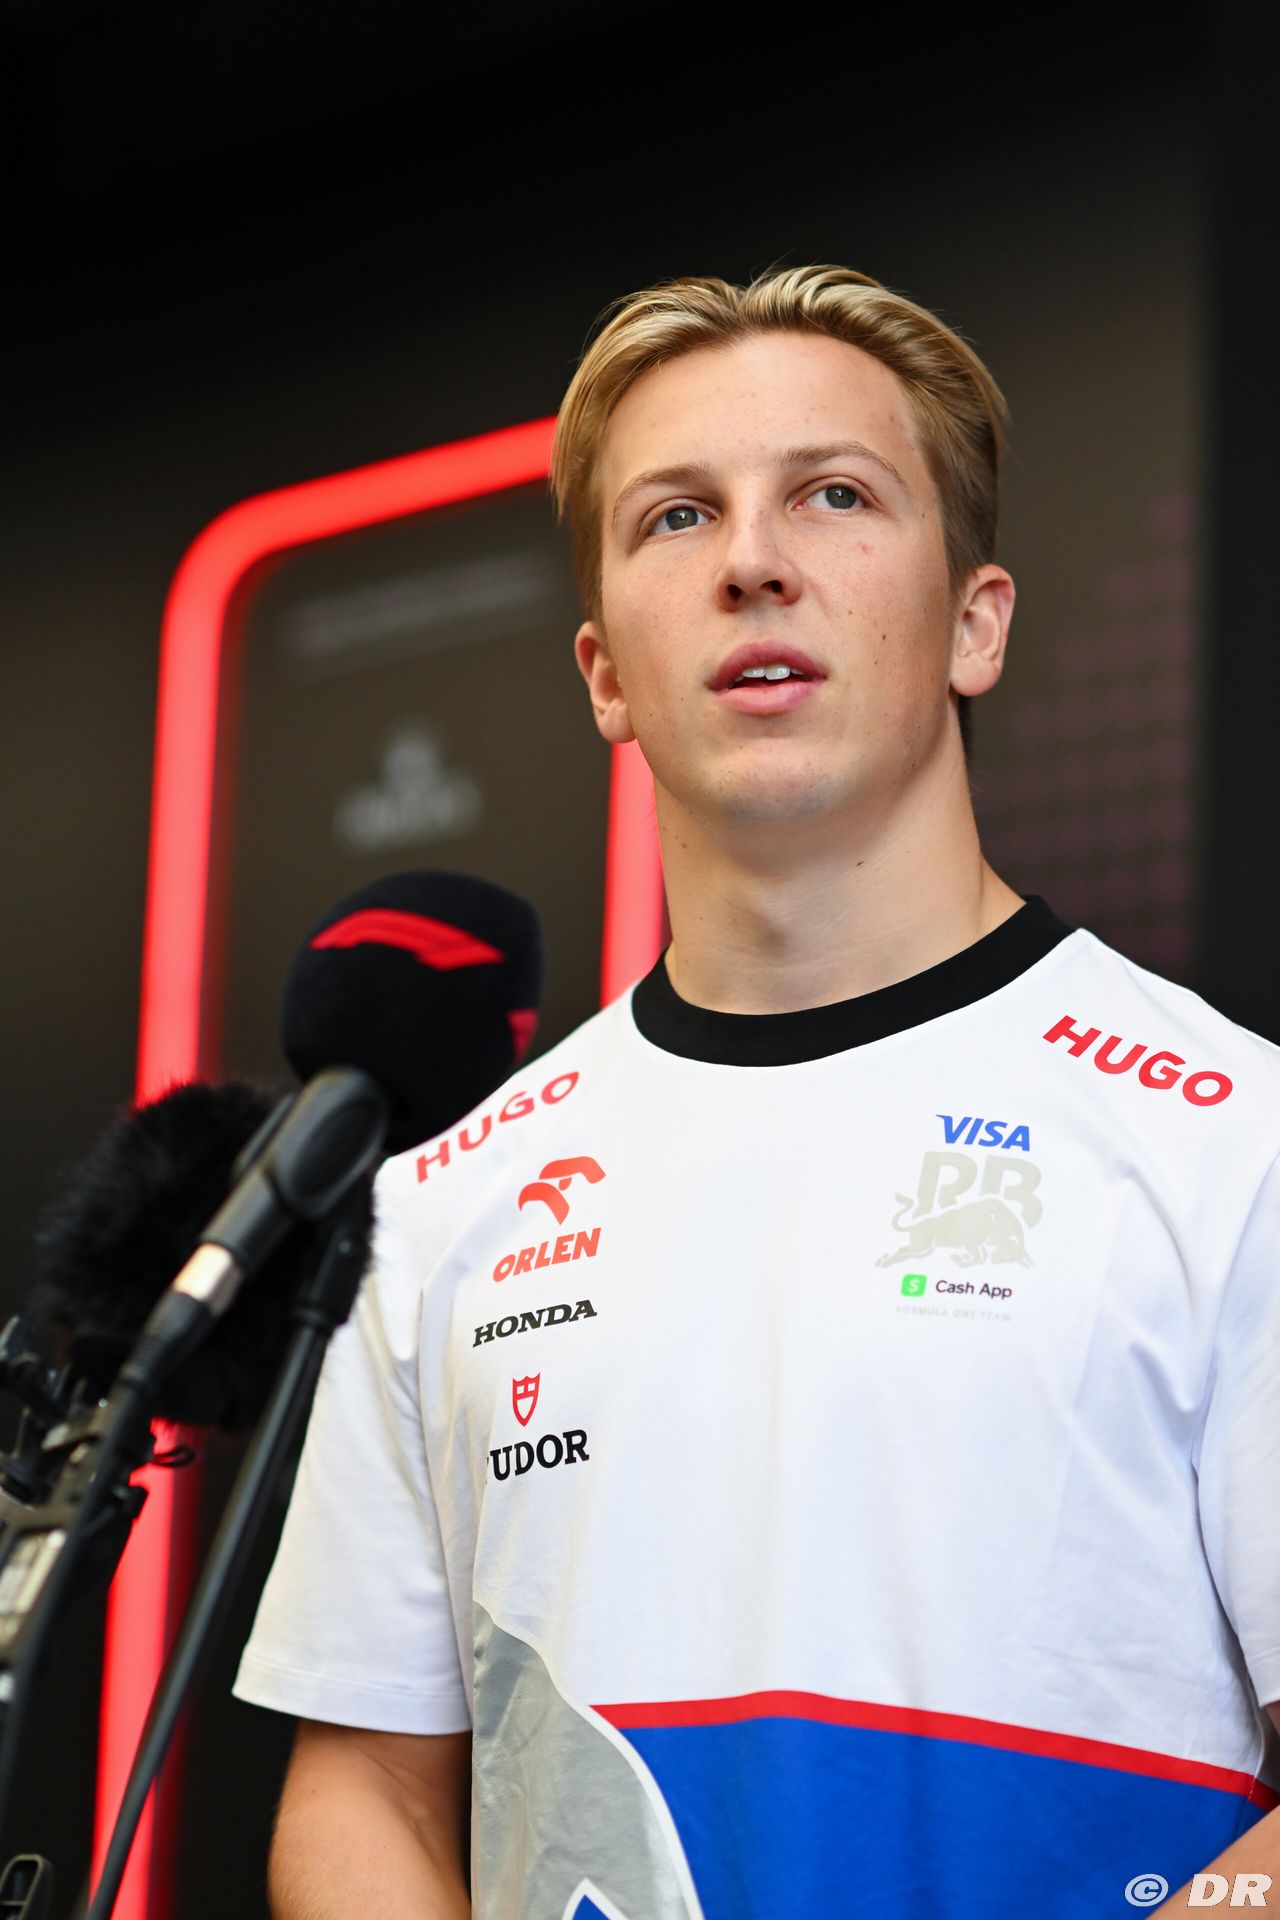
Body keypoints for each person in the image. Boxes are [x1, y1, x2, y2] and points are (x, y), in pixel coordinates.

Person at [233, 266, 1280, 1918]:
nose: (751, 561)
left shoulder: (1232, 1135)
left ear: (977, 623)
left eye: (834, 495)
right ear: (603, 673)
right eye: (677, 517)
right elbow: (366, 1791)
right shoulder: (443, 1203)